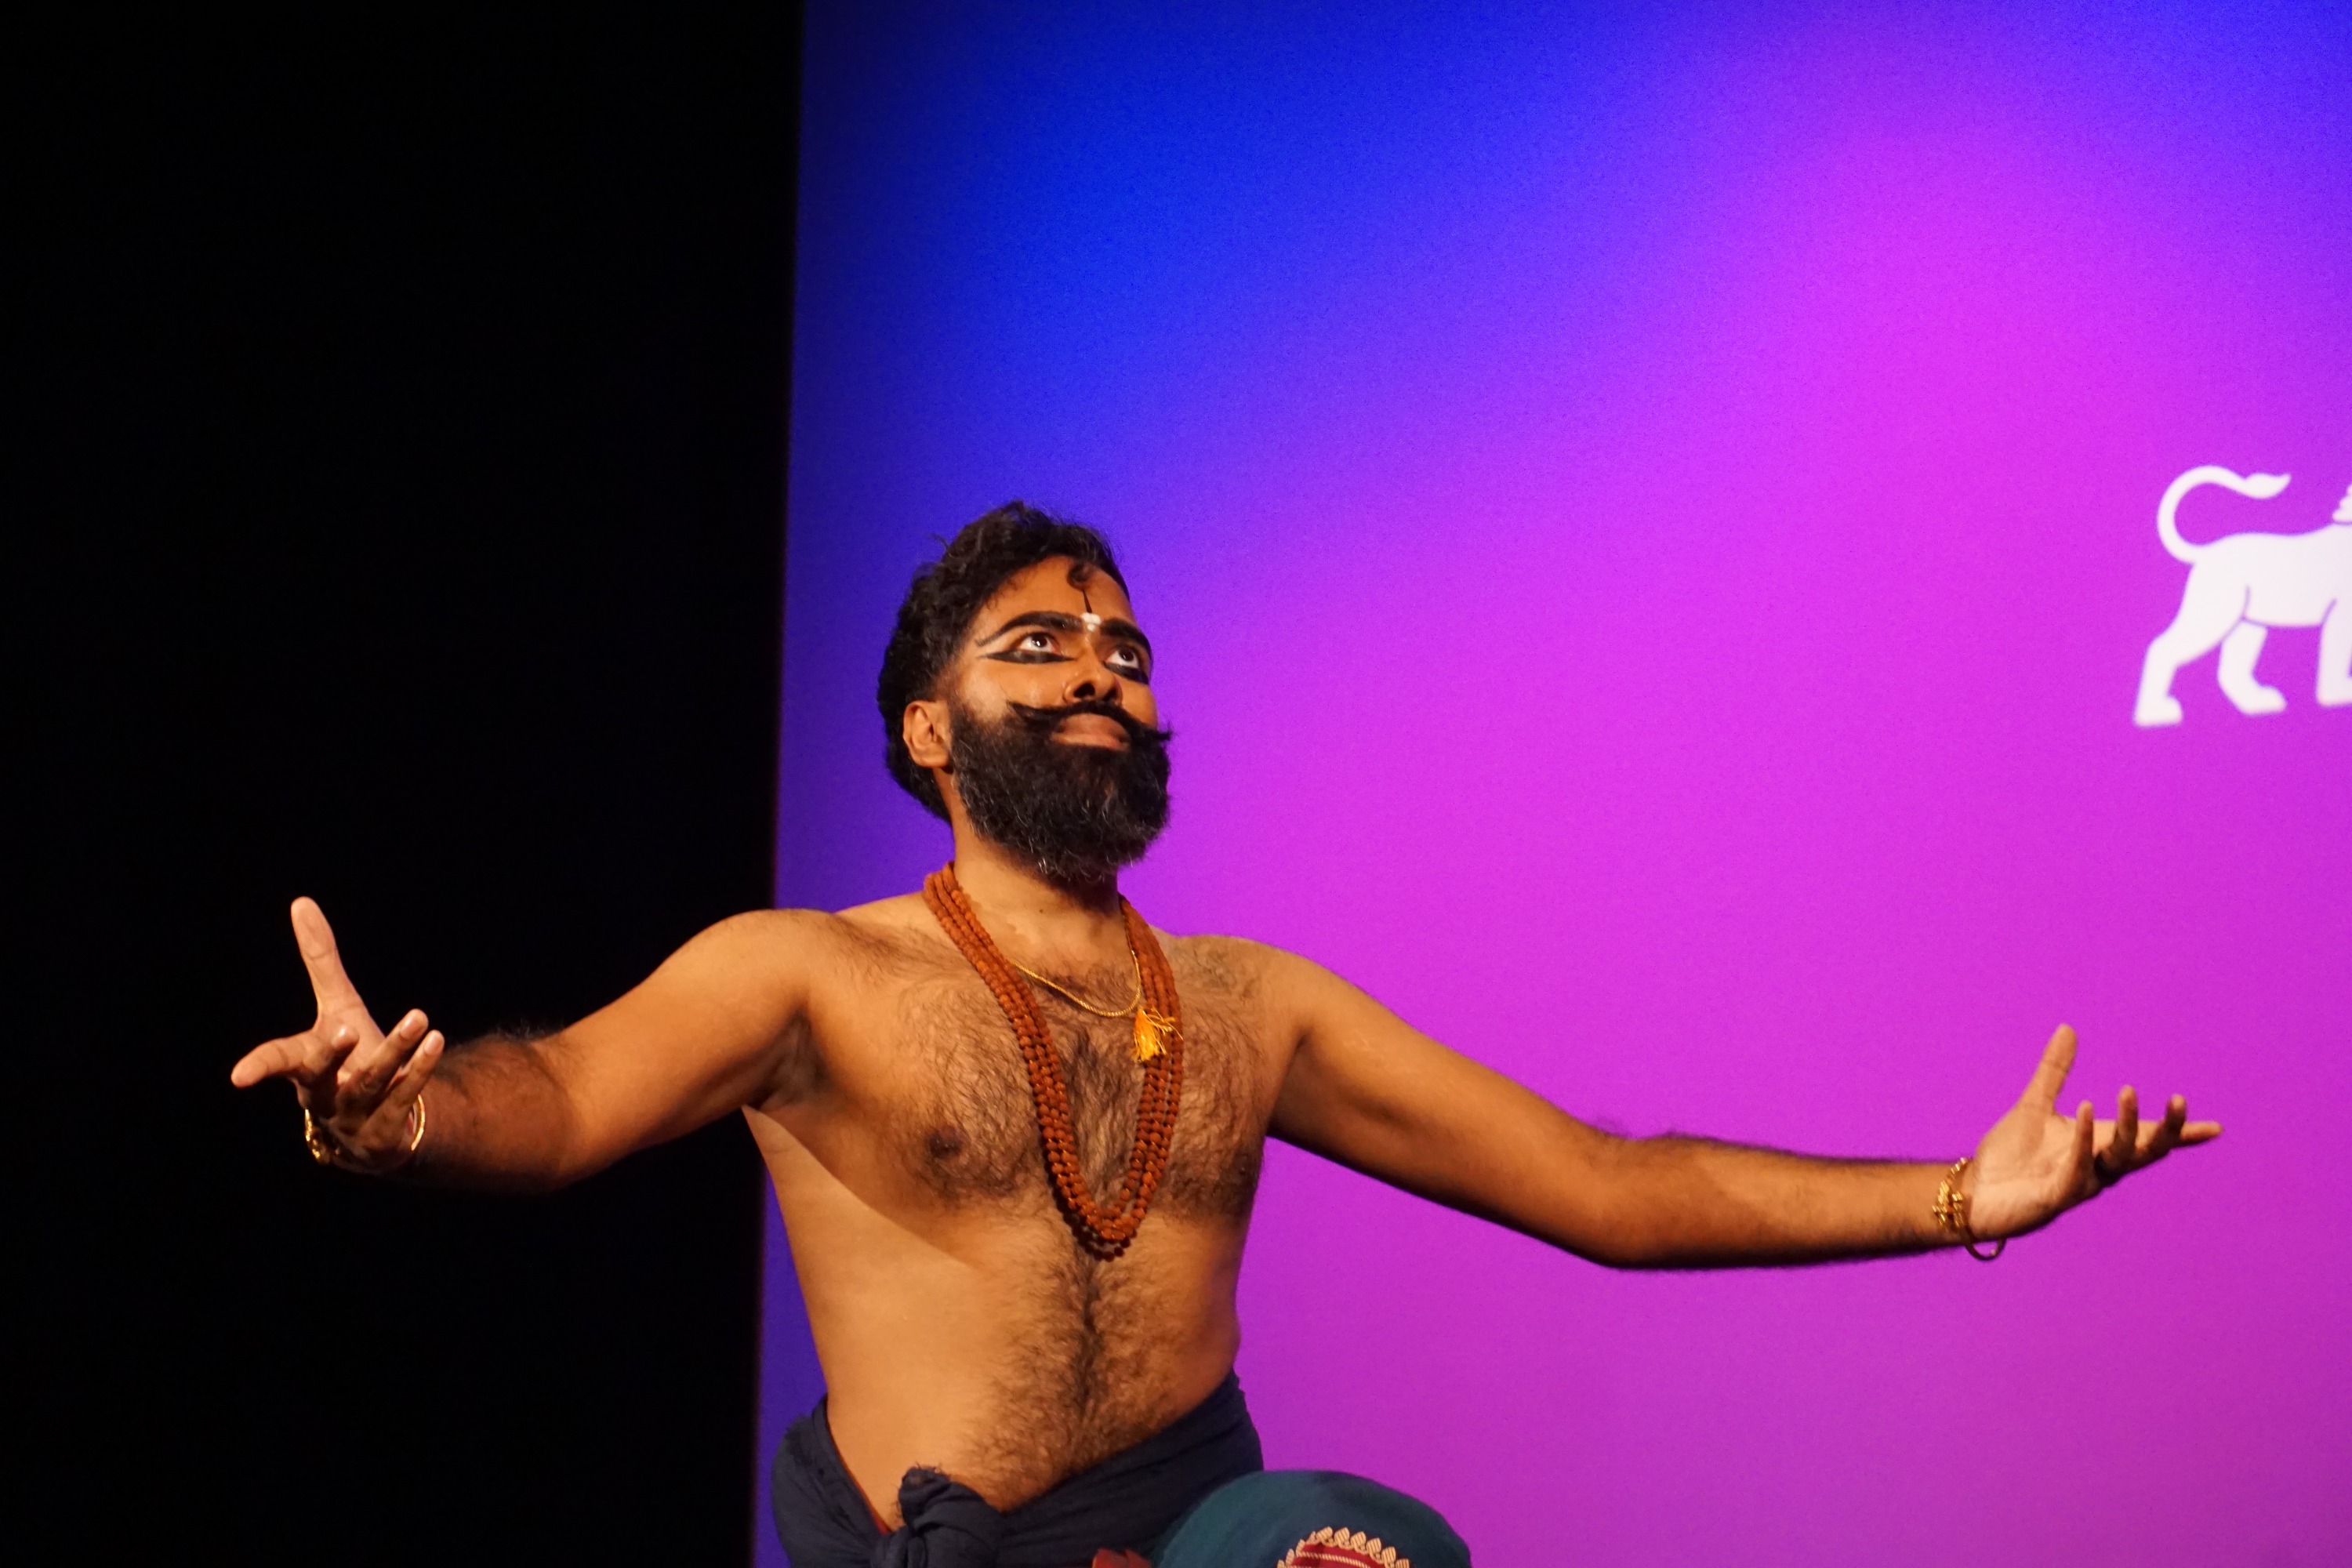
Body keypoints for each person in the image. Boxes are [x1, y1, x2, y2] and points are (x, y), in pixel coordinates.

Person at [233, 503, 2220, 1568]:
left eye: (1125, 651)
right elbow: (561, 1096)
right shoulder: (803, 975)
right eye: (1039, 646)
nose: (1101, 671)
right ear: (929, 730)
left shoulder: (1250, 1007)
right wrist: (393, 1123)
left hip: (1194, 1528)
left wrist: (1965, 1190)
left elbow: (1605, 1185)